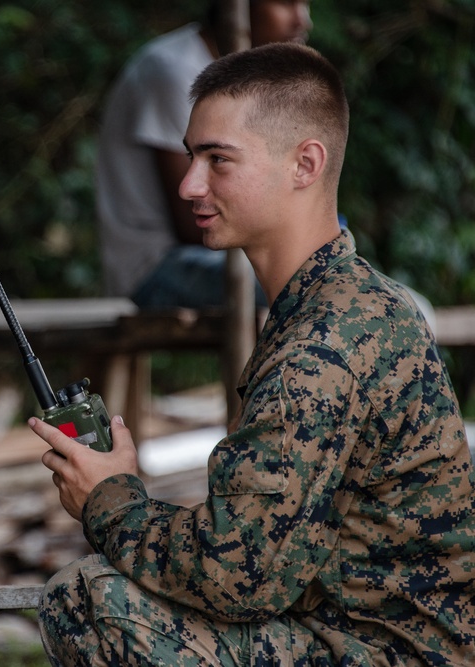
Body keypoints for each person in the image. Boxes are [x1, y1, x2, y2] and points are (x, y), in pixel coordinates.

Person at [31, 43, 475, 665]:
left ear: (305, 164)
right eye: (191, 156)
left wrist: (111, 498)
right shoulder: (353, 299)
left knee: (90, 601)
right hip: (369, 634)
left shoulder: (321, 348)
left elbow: (239, 576)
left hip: (382, 652)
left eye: (218, 160)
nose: (189, 184)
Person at [96, 0, 311, 308]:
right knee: (314, 288)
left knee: (352, 284)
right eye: (285, 3)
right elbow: (194, 222)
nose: (302, 20)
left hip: (223, 255)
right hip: (156, 266)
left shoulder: (248, 81)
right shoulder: (173, 72)